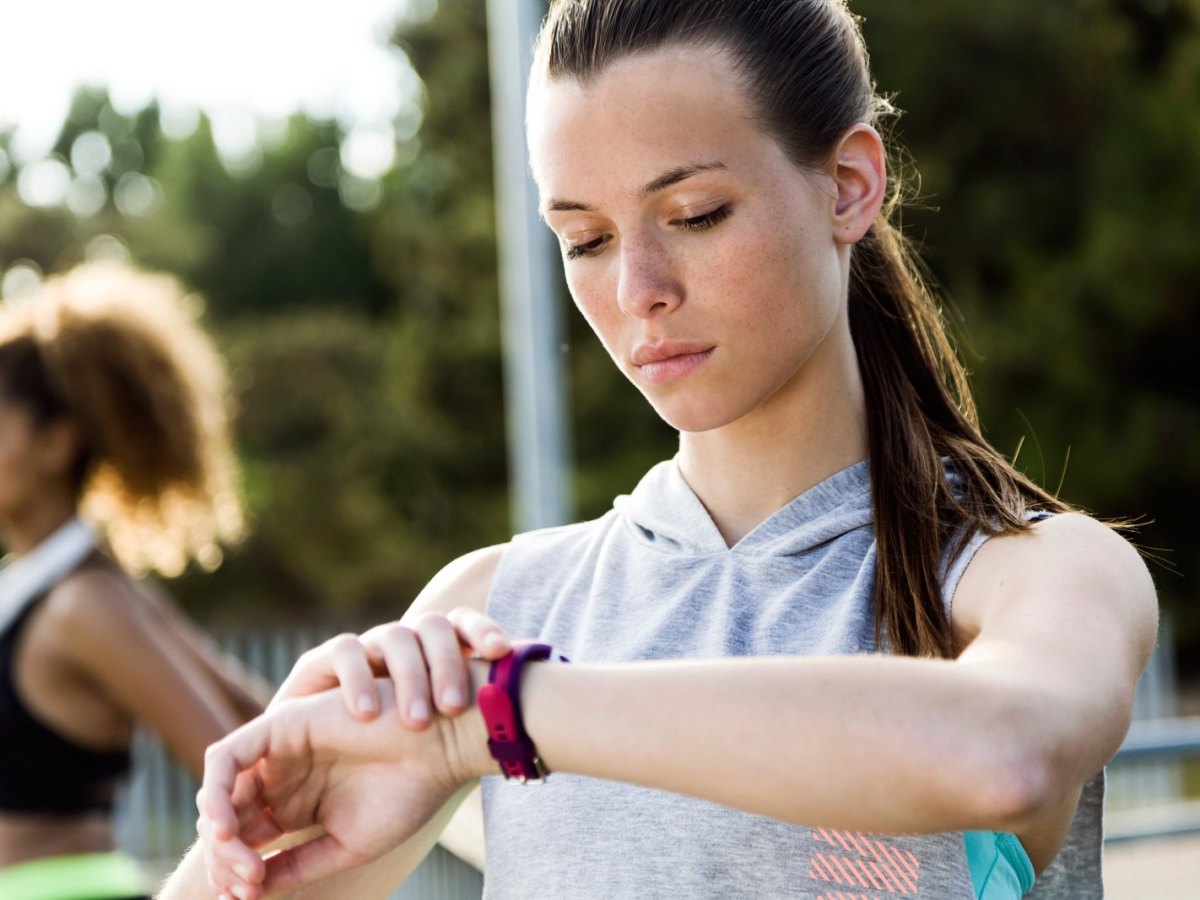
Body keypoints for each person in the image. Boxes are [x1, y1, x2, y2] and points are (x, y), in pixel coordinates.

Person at [175, 1, 1158, 898]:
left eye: (694, 215)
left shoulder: (1031, 572)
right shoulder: (489, 617)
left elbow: (1006, 754)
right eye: (585, 241)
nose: (639, 287)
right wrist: (279, 835)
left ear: (850, 187)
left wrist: (504, 719)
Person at [0, 262, 273, 900]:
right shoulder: (54, 587)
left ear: (55, 445)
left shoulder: (84, 603)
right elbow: (257, 713)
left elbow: (248, 779)